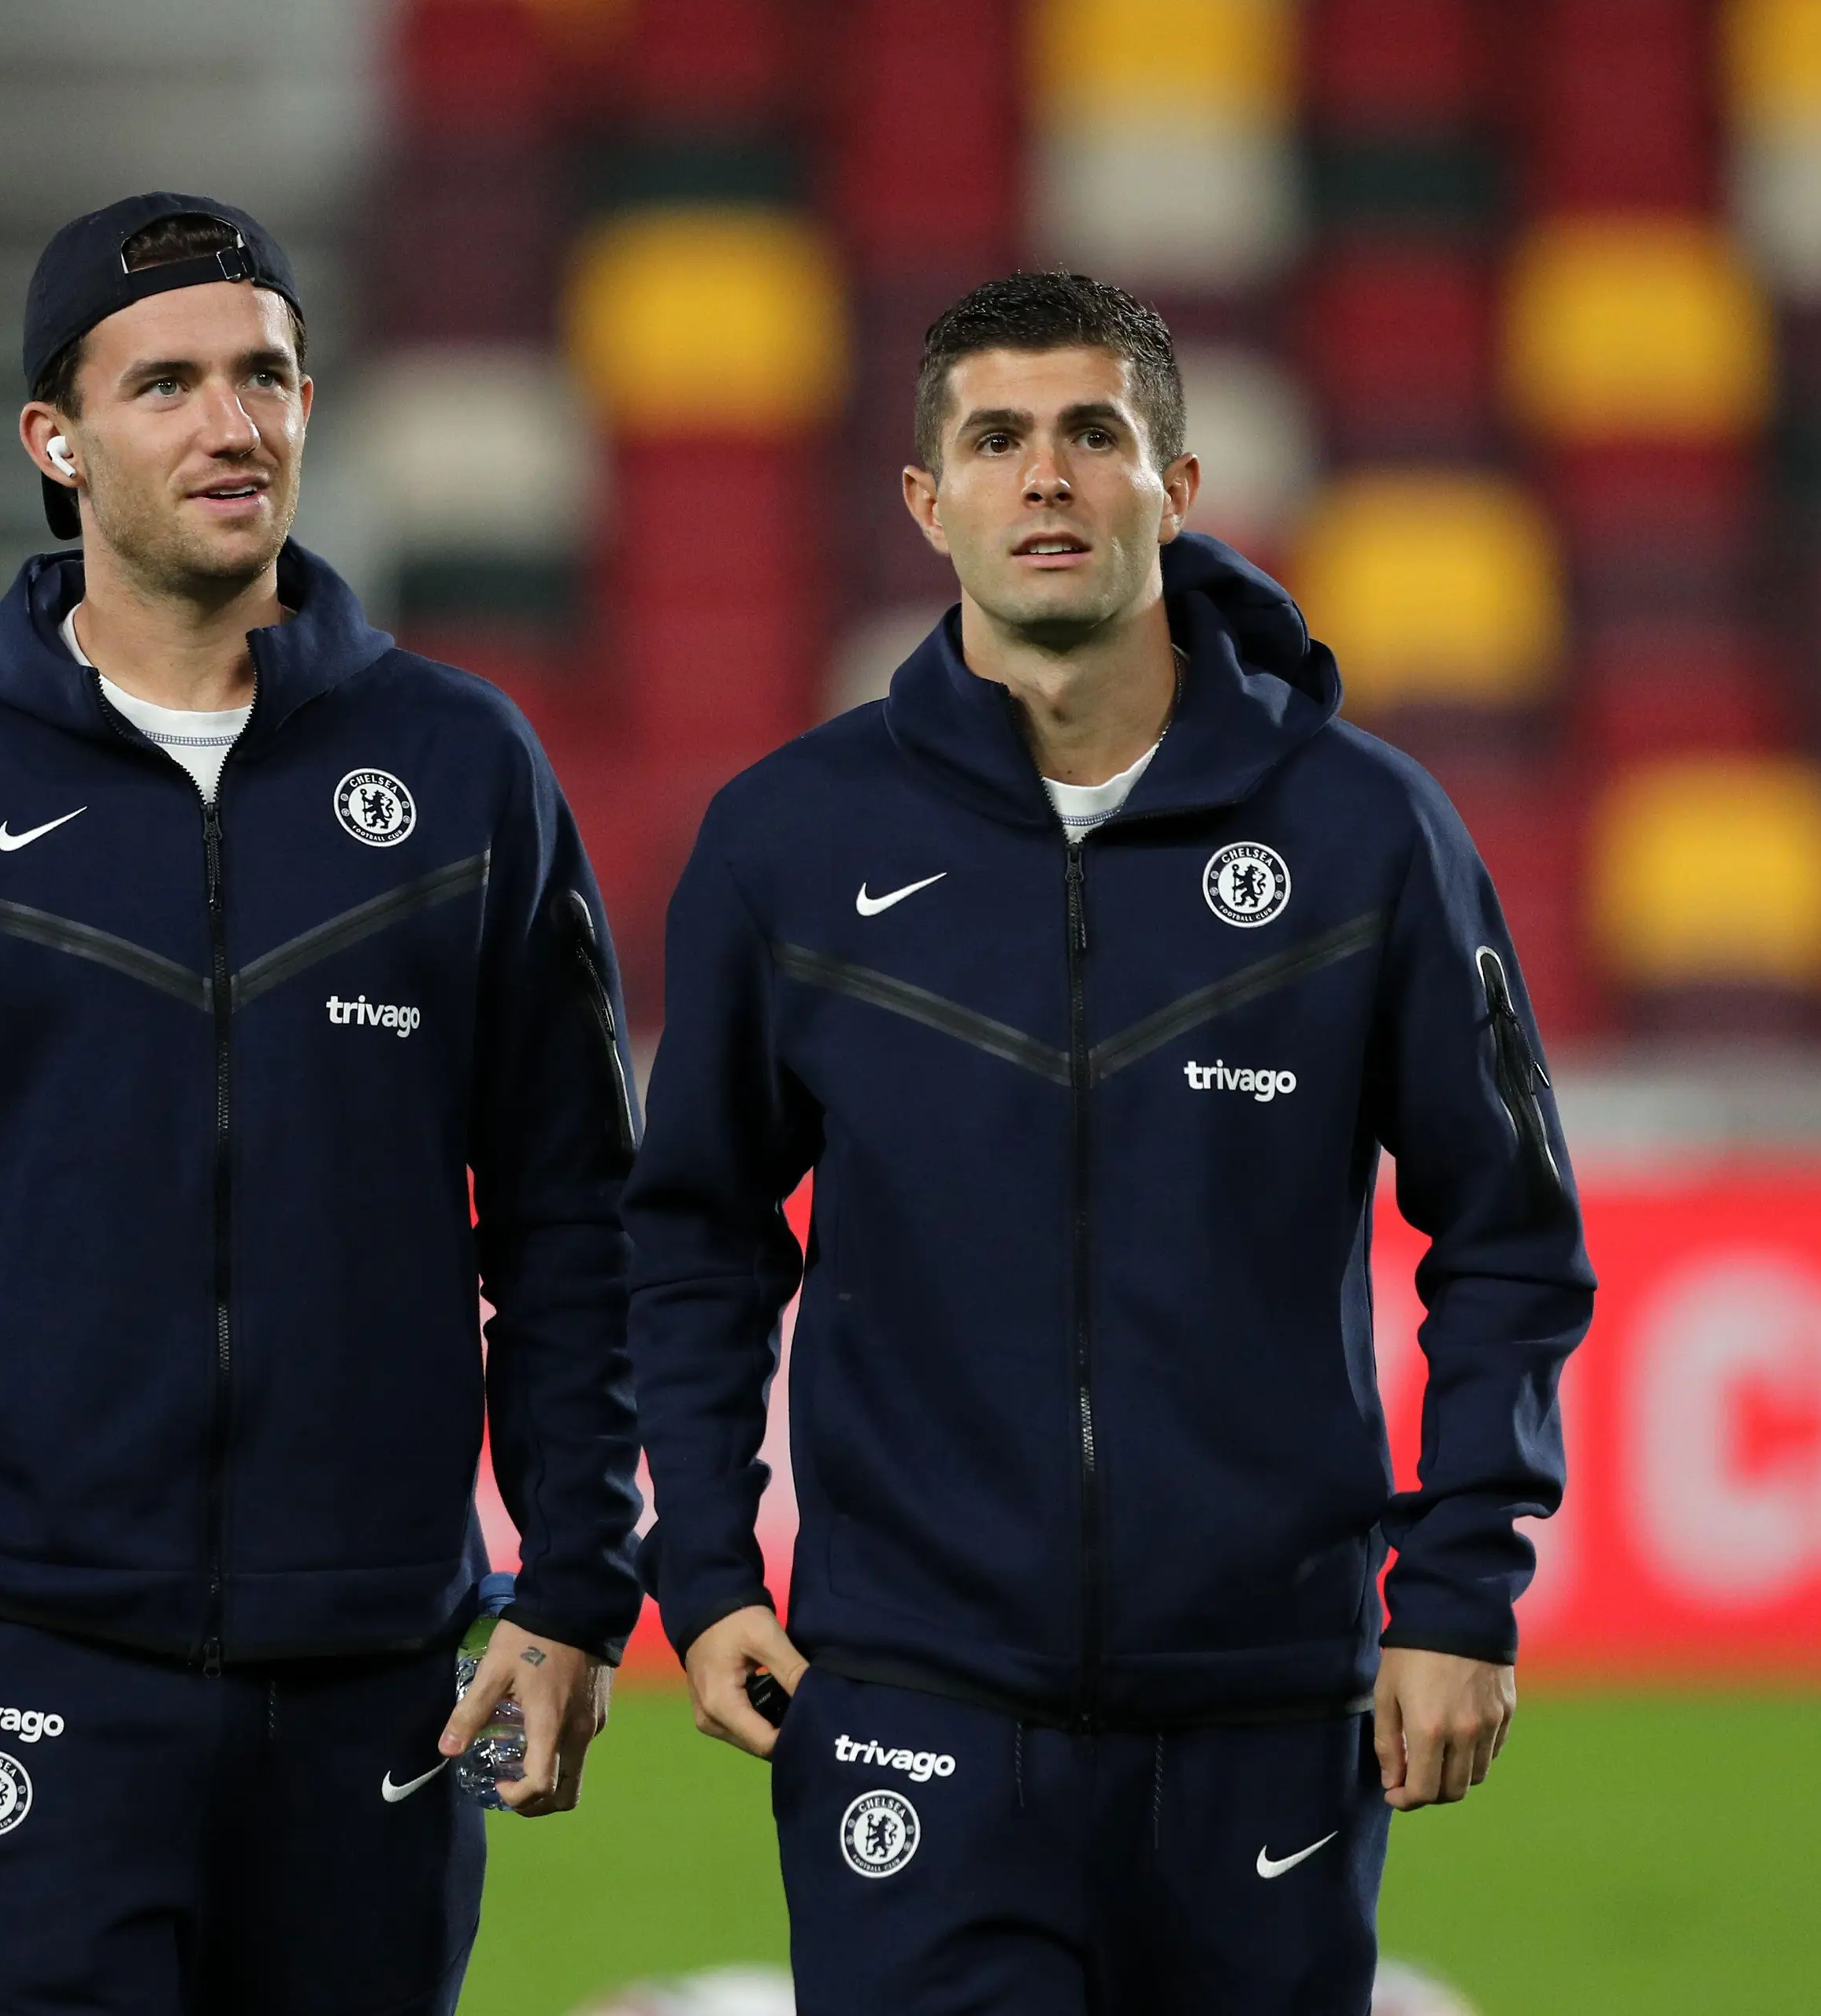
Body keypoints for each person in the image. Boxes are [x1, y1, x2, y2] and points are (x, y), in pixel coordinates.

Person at [625, 271, 1594, 2013]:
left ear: (1180, 485)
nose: (1048, 477)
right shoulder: (789, 841)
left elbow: (1511, 1234)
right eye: (995, 439)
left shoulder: (1369, 832)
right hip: (913, 1697)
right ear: (928, 503)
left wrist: (1457, 1593)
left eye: (1094, 433)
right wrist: (700, 1567)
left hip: (1268, 1699)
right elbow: (692, 1233)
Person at [0, 190, 644, 2016]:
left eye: (267, 376)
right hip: (23, 1665)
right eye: (166, 384)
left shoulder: (465, 765)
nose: (231, 425)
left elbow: (571, 1227)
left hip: (381, 1678)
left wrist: (570, 1580)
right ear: (55, 440)